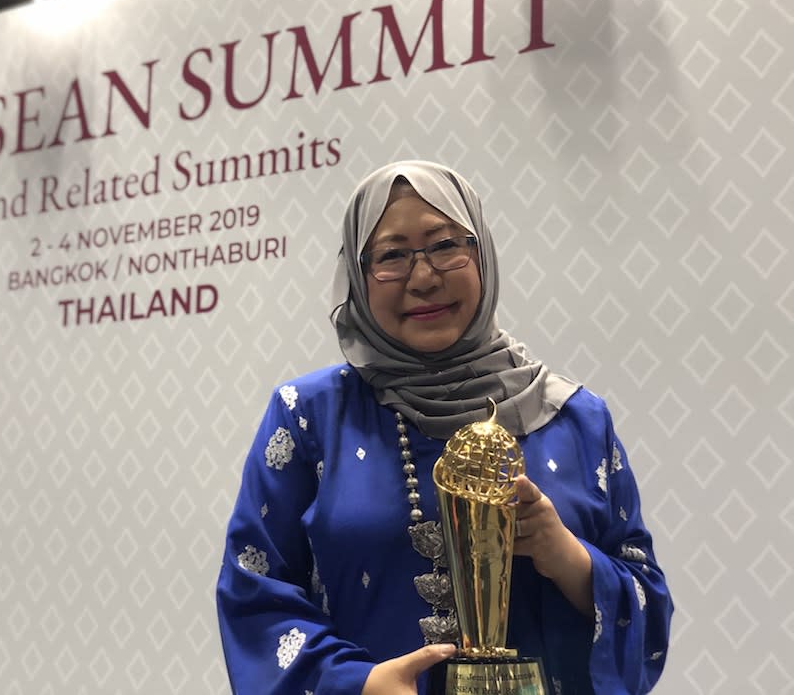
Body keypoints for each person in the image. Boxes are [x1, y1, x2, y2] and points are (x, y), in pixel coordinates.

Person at [216, 161, 673, 695]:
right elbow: (255, 590)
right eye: (391, 256)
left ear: (482, 256)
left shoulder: (575, 418)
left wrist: (568, 558)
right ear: (358, 278)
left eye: (444, 246)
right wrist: (355, 684)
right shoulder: (309, 417)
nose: (424, 277)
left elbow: (648, 609)